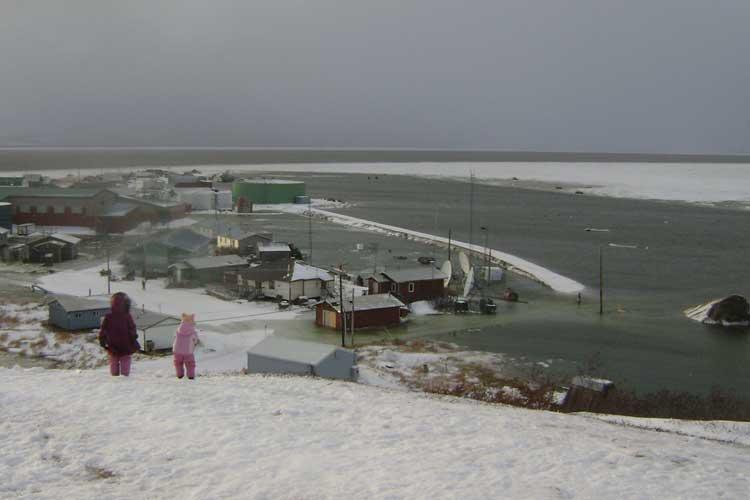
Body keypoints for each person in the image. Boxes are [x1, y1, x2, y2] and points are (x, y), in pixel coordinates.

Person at [99, 292, 140, 377]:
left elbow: (103, 329)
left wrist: (102, 339)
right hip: (126, 344)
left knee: (114, 360)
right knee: (125, 360)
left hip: (112, 344)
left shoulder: (108, 317)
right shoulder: (127, 316)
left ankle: (114, 376)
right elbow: (132, 327)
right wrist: (133, 336)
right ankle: (124, 376)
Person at [173, 313, 199, 380]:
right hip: (188, 351)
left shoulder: (178, 330)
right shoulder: (193, 332)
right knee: (190, 364)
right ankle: (190, 376)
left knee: (178, 363)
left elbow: (174, 337)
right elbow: (195, 340)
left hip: (177, 350)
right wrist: (194, 343)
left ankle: (179, 375)